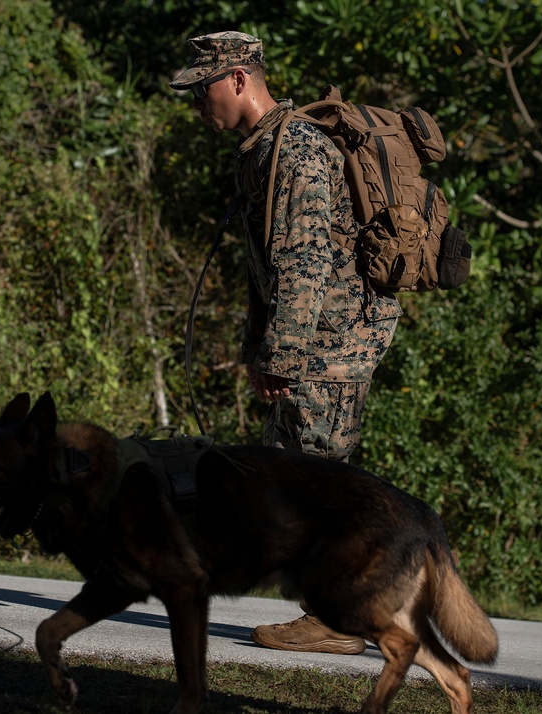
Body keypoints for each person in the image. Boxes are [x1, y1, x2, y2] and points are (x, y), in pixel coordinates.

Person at [170, 31, 402, 655]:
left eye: (204, 88)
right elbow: (263, 268)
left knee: (321, 478)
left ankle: (340, 617)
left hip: (333, 342)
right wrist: (260, 350)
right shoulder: (259, 150)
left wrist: (283, 355)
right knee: (292, 476)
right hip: (310, 341)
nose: (198, 102)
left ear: (240, 80)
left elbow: (305, 262)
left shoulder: (296, 150)